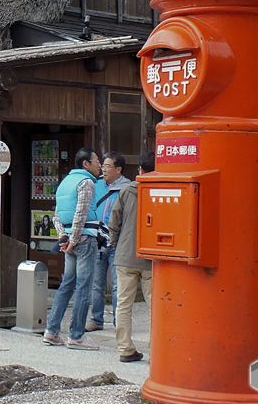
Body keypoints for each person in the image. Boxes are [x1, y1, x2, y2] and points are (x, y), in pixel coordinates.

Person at [42, 147, 102, 350]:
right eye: (97, 161)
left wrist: (64, 238)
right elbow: (82, 213)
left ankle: (52, 331)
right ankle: (76, 336)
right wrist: (75, 239)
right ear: (86, 164)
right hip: (84, 240)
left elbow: (56, 215)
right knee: (83, 287)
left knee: (66, 285)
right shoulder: (86, 183)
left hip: (68, 240)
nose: (100, 165)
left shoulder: (64, 182)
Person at [108, 151, 155, 363]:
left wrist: (116, 243)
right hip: (151, 258)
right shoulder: (161, 191)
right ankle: (159, 349)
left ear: (140, 170)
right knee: (156, 307)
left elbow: (114, 221)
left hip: (125, 256)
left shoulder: (126, 192)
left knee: (123, 305)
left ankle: (125, 349)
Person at [85, 152, 130, 332]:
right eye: (102, 166)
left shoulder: (128, 189)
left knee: (117, 283)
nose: (103, 170)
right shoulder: (96, 186)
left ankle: (119, 321)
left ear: (119, 169)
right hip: (97, 240)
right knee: (97, 282)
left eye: (108, 167)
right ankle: (96, 319)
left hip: (117, 241)